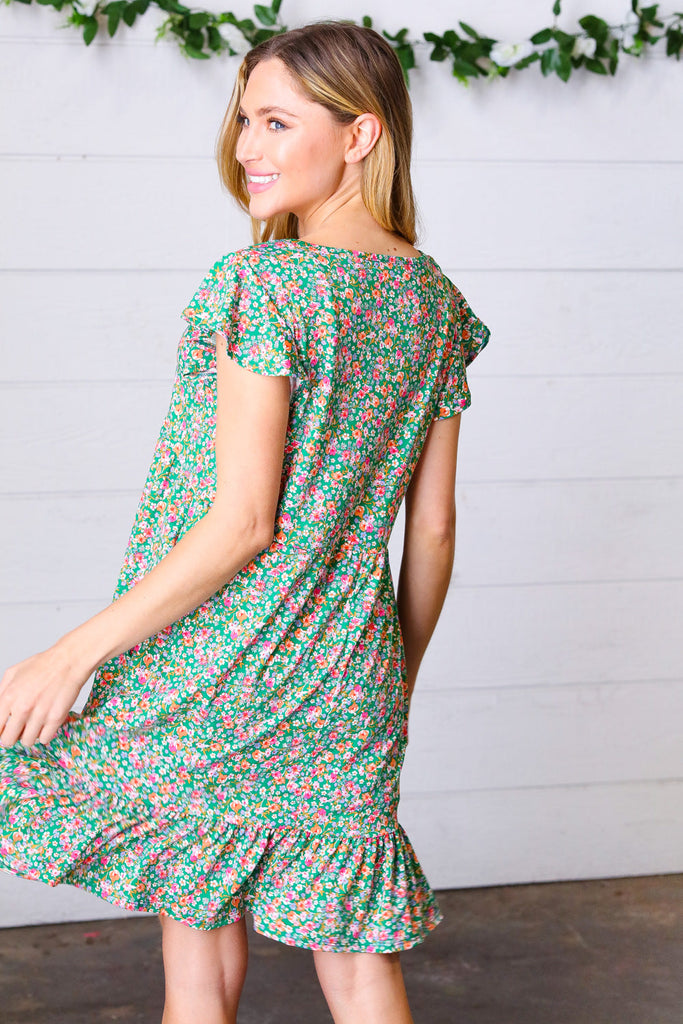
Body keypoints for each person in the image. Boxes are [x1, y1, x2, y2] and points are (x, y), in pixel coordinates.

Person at [0, 19, 490, 1024]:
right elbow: (433, 530)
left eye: (275, 121)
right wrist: (388, 676)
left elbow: (241, 524)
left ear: (358, 134)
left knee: (195, 951)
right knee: (356, 960)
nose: (246, 147)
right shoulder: (435, 303)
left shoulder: (261, 284)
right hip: (345, 670)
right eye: (242, 120)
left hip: (207, 660)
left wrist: (68, 657)